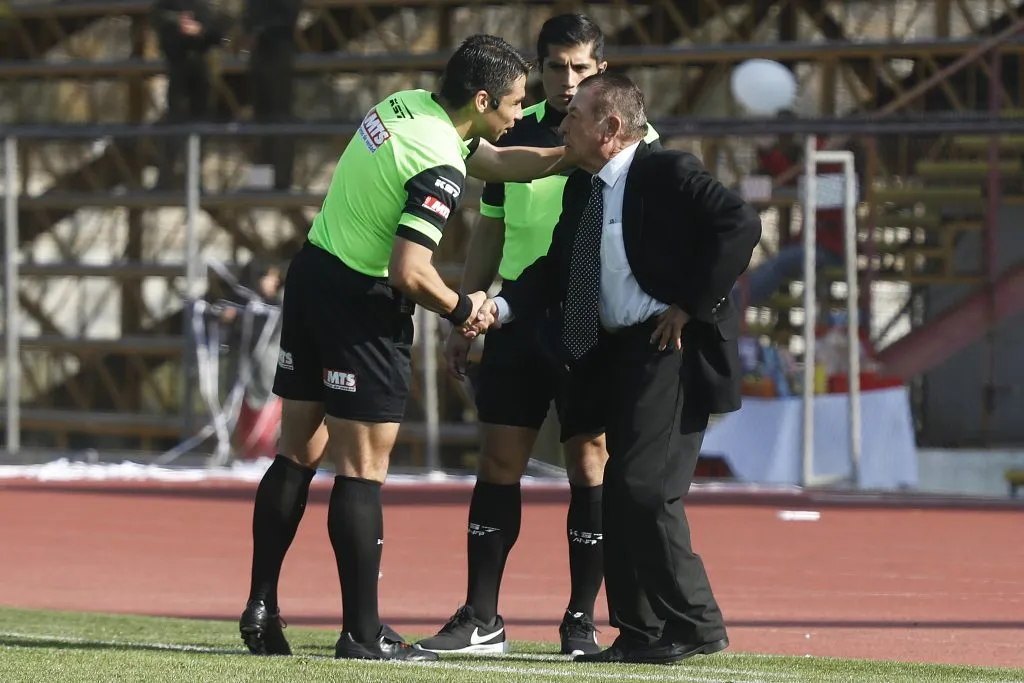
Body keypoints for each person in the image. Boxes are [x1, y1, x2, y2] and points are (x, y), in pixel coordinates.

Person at [237, 34, 576, 663]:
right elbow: (409, 271)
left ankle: (261, 604)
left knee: (297, 452)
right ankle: (362, 636)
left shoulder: (406, 106)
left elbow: (495, 163)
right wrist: (463, 308)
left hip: (312, 274)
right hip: (361, 304)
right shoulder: (439, 164)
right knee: (363, 469)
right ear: (481, 99)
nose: (516, 116)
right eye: (512, 104)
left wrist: (564, 157)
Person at [466, 72, 761, 665]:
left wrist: (690, 306)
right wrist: (496, 308)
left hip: (670, 347)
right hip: (618, 351)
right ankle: (639, 631)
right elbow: (554, 268)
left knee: (643, 487)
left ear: (610, 128)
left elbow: (740, 225)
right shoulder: (585, 188)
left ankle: (696, 624)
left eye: (573, 116)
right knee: (622, 490)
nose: (562, 125)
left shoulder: (666, 171)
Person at [415, 13, 659, 658]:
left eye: (581, 67)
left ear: (600, 70)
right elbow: (490, 227)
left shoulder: (626, 137)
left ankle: (580, 617)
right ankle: (482, 618)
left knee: (589, 464)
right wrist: (465, 314)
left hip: (588, 320)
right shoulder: (511, 131)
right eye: (555, 67)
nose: (567, 79)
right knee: (498, 460)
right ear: (540, 67)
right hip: (517, 315)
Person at [150, 0, 229, 188]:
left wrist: (200, 30)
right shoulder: (168, 6)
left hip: (202, 70)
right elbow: (158, 20)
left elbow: (221, 33)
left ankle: (193, 178)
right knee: (175, 122)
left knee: (199, 125)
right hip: (179, 66)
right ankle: (166, 178)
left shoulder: (206, 7)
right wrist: (179, 25)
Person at [243, 0, 300, 190]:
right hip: (259, 52)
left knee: (279, 115)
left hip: (278, 50)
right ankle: (261, 180)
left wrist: (260, 30)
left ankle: (282, 180)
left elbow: (289, 14)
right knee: (261, 116)